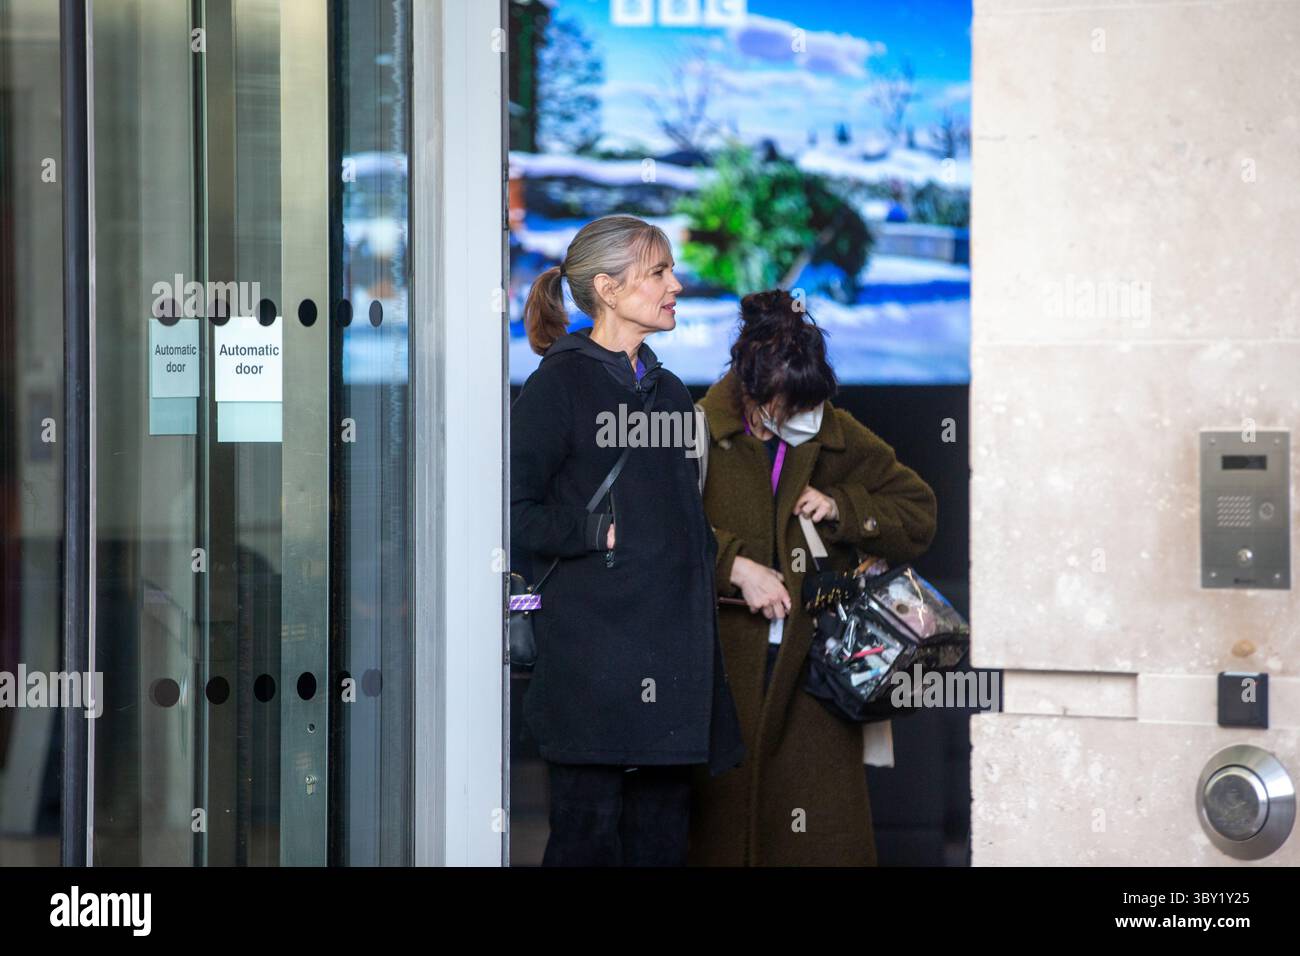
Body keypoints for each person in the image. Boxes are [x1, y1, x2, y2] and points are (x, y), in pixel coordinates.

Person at [511, 215, 745, 866]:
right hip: (593, 674)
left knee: (662, 849)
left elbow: (685, 521)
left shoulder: (670, 392)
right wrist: (592, 531)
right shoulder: (558, 385)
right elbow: (510, 512)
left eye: (672, 269)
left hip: (671, 675)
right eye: (659, 272)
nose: (677, 284)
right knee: (585, 847)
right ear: (608, 290)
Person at [689, 288, 938, 866]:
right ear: (751, 386)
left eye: (808, 402)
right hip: (721, 666)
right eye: (786, 403)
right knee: (721, 829)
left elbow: (919, 510)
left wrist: (843, 507)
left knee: (820, 837)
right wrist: (733, 566)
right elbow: (664, 537)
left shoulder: (834, 431)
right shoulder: (698, 431)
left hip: (816, 670)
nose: (801, 416)